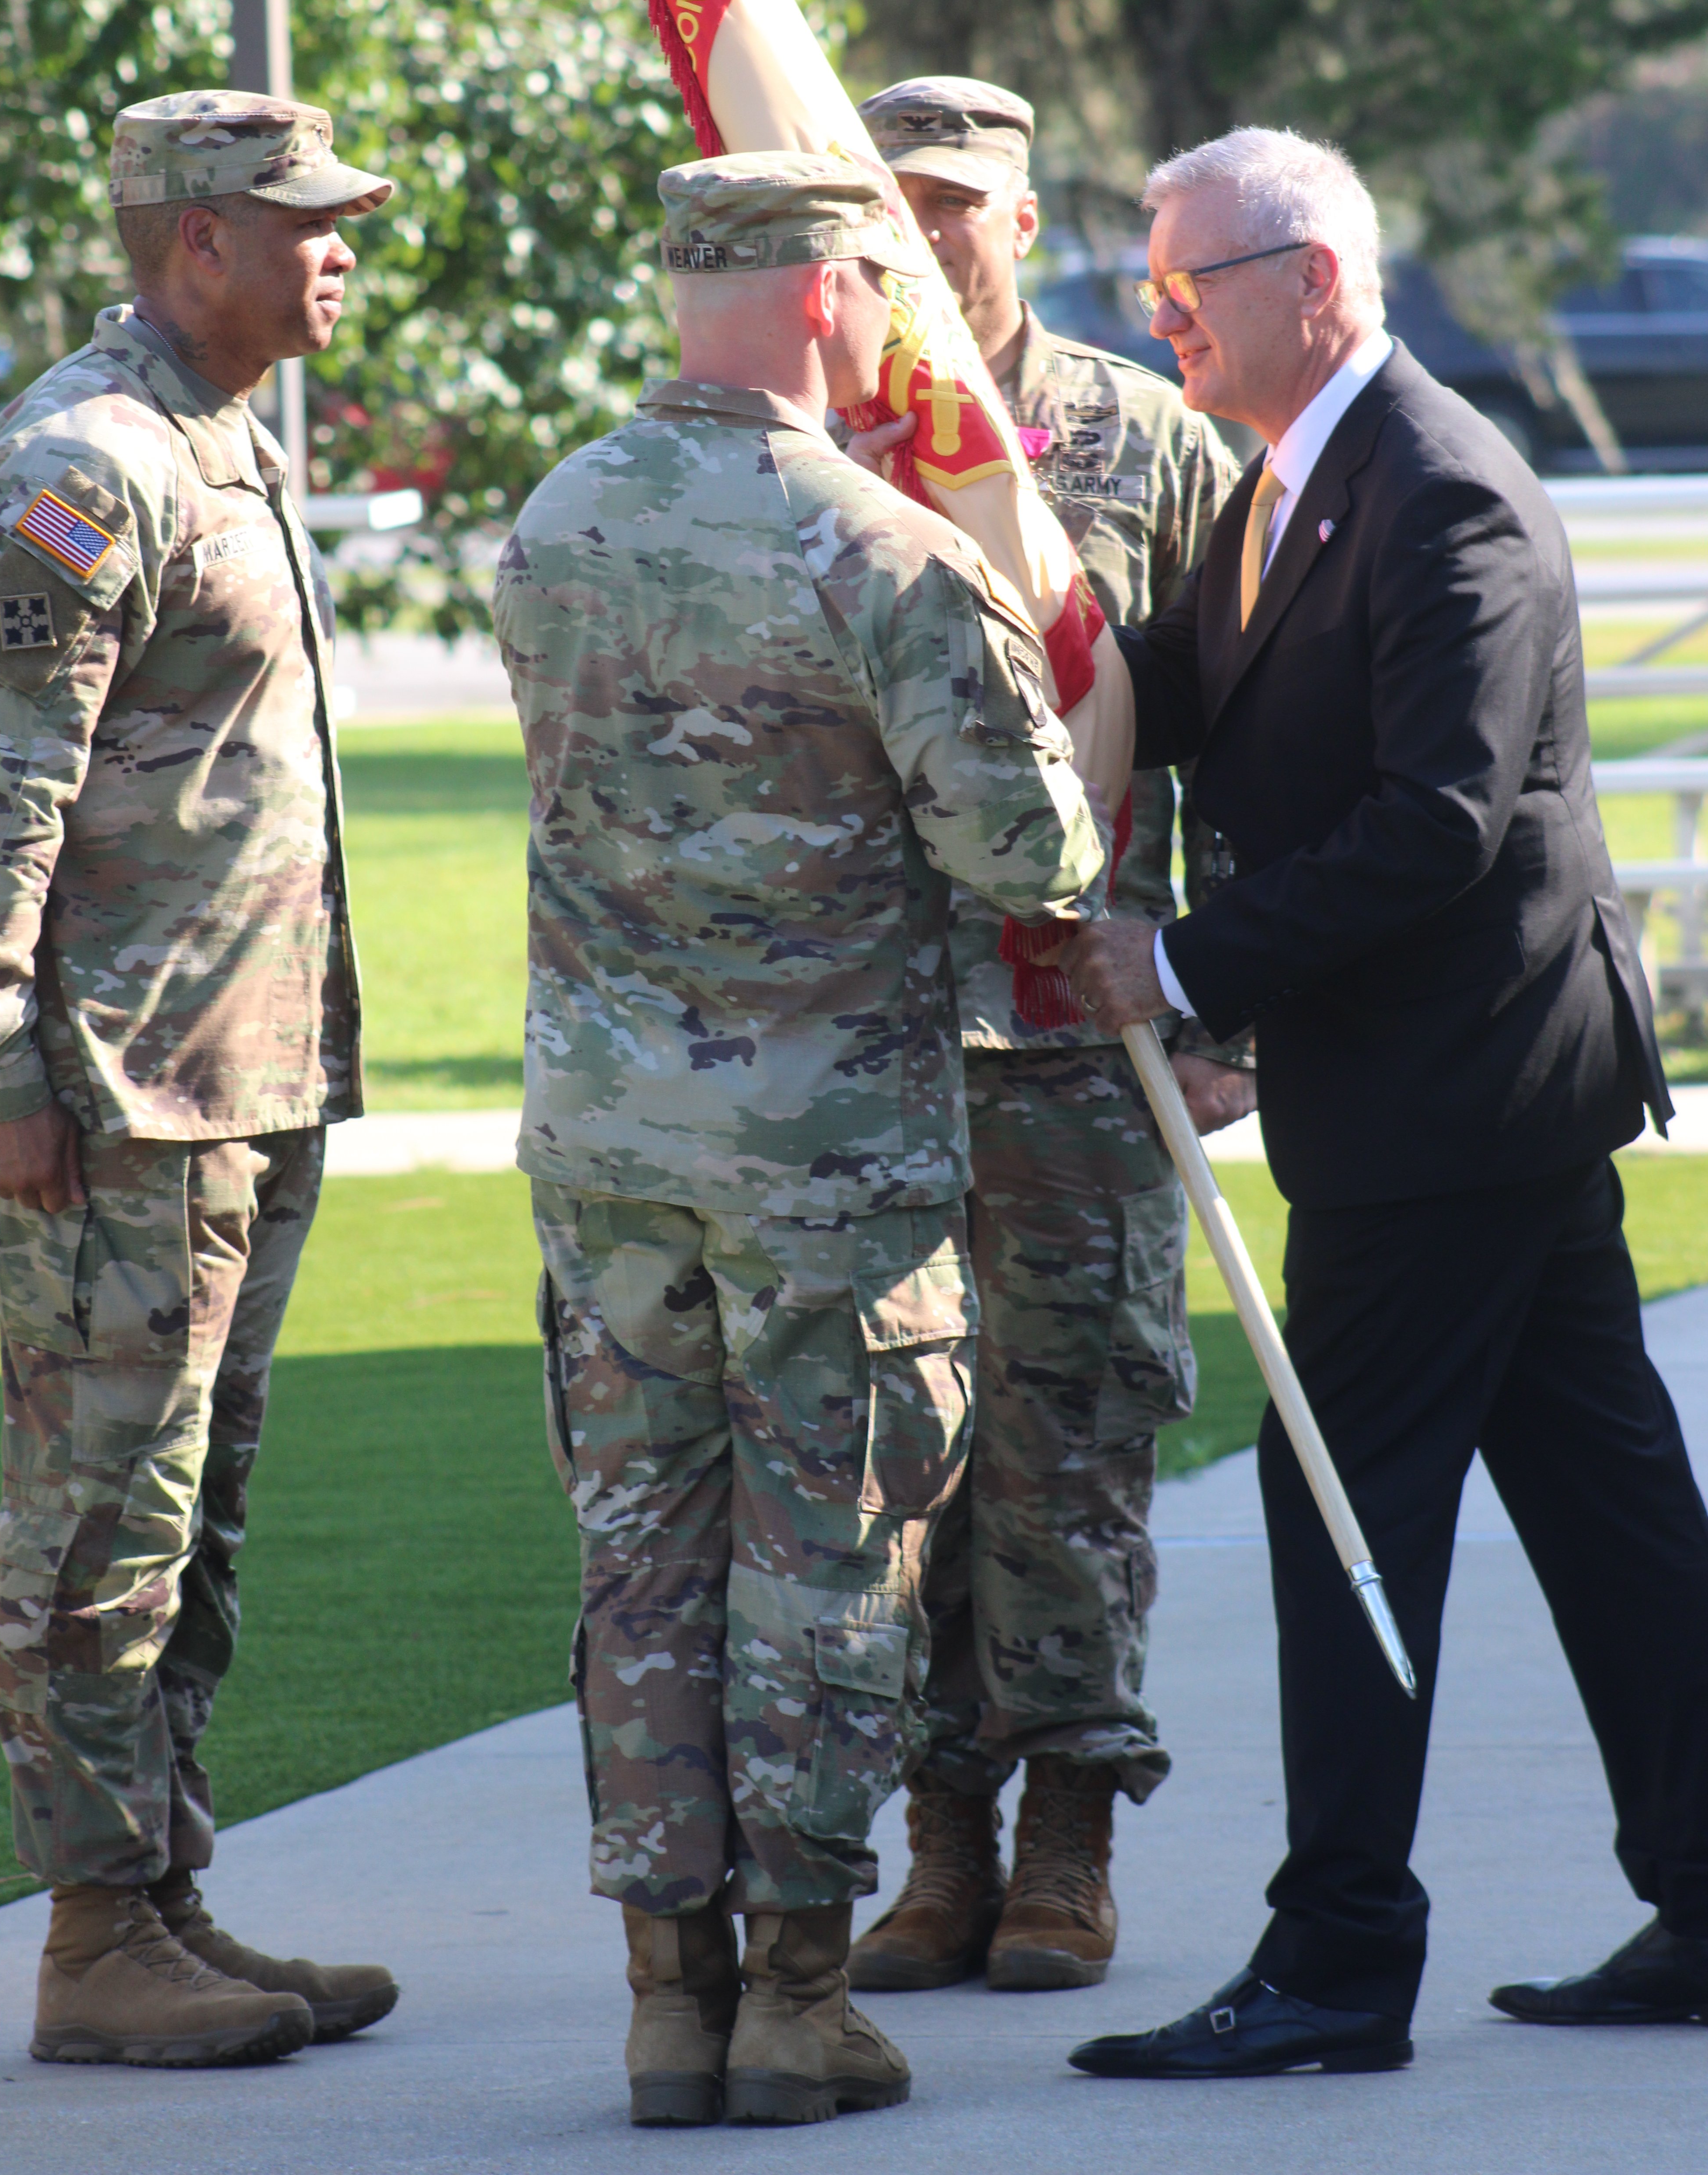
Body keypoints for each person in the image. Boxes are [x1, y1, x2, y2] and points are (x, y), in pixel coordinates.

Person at [1061, 125, 1708, 2079]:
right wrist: (1038, 619)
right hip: (1470, 1103)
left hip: (1459, 1103)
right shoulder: (1283, 479)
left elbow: (1436, 825)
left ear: (1318, 283)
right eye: (1153, 280)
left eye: (1189, 281)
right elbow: (1199, 686)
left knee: (1339, 1503)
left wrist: (1185, 970)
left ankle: (1341, 1959)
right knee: (1609, 1508)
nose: (1159, 312)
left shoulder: (1443, 494)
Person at [492, 150, 1109, 2129]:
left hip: (607, 1146)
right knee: (828, 1566)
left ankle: (666, 2007)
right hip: (827, 1154)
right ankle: (795, 2000)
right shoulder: (882, 552)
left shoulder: (554, 520)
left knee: (643, 1568)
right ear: (835, 292)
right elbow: (1028, 854)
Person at [0, 91, 399, 2069]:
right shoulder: (82, 465)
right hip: (113, 1103)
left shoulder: (215, 442)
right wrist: (2, 1071)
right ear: (193, 240)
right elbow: (1, 794)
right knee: (93, 1528)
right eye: (300, 217)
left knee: (193, 1520)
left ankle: (160, 1899)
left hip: (241, 1082)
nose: (339, 246)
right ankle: (88, 1944)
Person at [843, 77, 1249, 1998]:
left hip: (1085, 1035)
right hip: (871, 1035)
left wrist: (1231, 992)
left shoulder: (1142, 438)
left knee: (1073, 1441)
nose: (921, 236)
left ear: (1019, 218)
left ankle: (1071, 1842)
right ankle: (941, 1846)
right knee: (902, 1455)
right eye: (887, 203)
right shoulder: (822, 439)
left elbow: (1252, 733)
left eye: (956, 205)